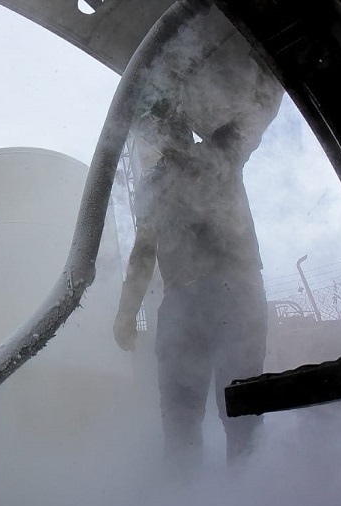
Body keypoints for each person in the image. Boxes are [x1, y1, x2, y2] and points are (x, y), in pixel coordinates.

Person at [113, 52, 283, 474]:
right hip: (182, 305)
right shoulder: (153, 186)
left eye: (167, 122)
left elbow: (260, 110)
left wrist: (274, 64)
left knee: (240, 407)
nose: (162, 131)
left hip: (233, 294)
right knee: (180, 416)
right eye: (156, 126)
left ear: (183, 124)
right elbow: (143, 251)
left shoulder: (221, 149)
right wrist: (125, 311)